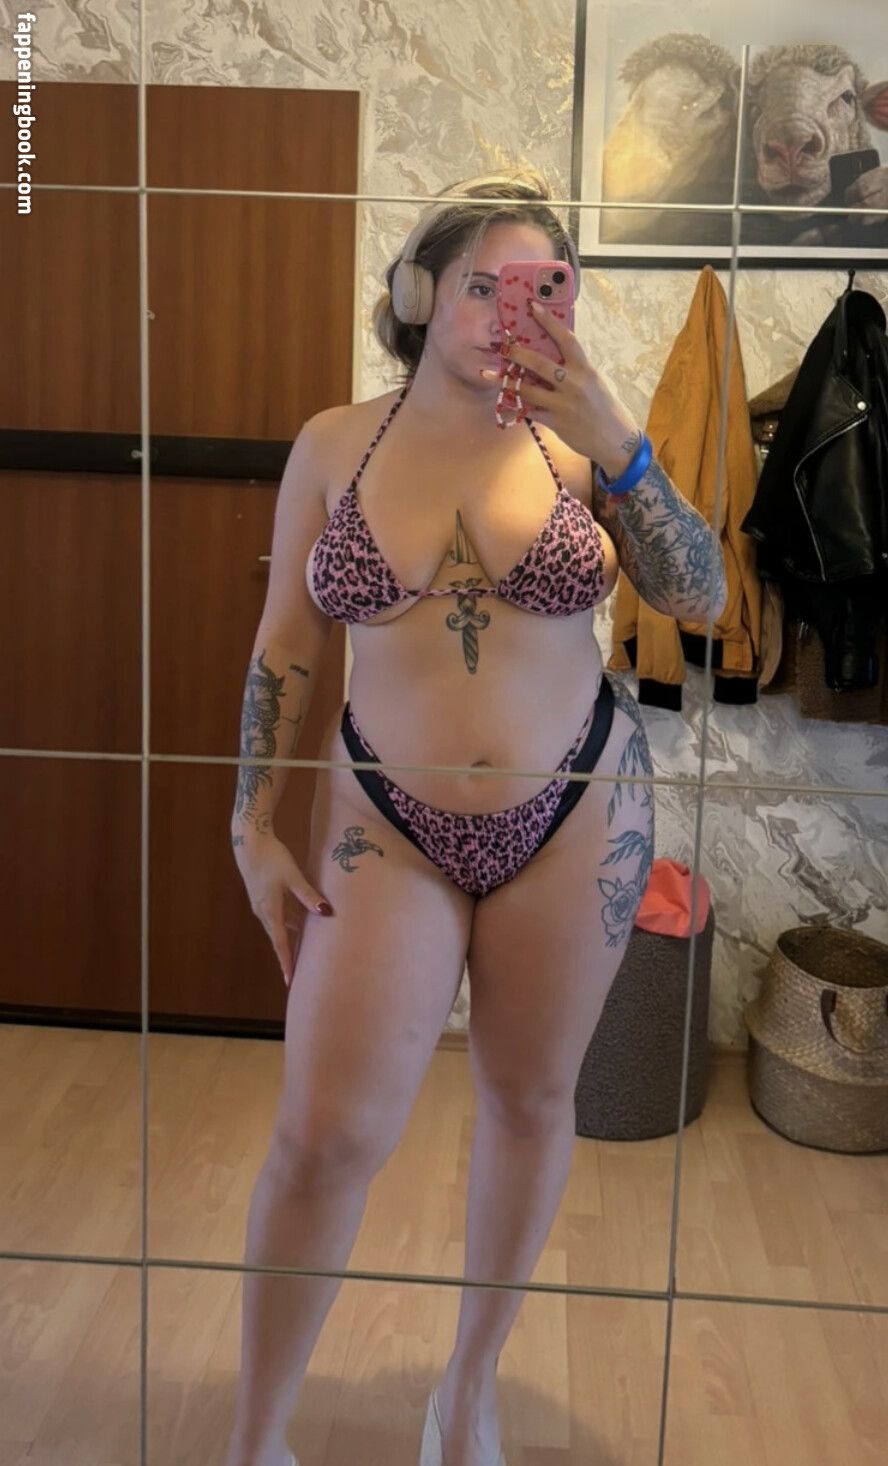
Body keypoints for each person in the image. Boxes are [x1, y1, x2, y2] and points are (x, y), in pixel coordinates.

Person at [224, 170, 726, 1466]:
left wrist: (620, 439)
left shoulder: (583, 445)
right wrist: (250, 822)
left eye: (544, 287)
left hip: (577, 807)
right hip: (382, 820)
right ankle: (255, 1431)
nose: (514, 311)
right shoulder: (334, 444)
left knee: (530, 1098)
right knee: (326, 1131)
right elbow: (287, 642)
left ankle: (469, 1389)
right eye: (482, 284)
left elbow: (705, 596)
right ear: (419, 293)